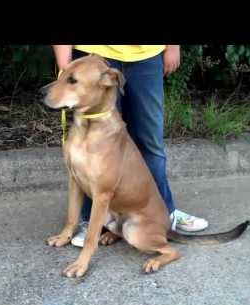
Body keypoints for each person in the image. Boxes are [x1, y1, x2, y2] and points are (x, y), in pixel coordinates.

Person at [52, 45, 208, 247]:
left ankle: (164, 213)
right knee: (91, 148)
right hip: (95, 56)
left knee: (150, 142)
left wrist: (173, 47)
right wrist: (66, 62)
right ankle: (91, 222)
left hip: (147, 55)